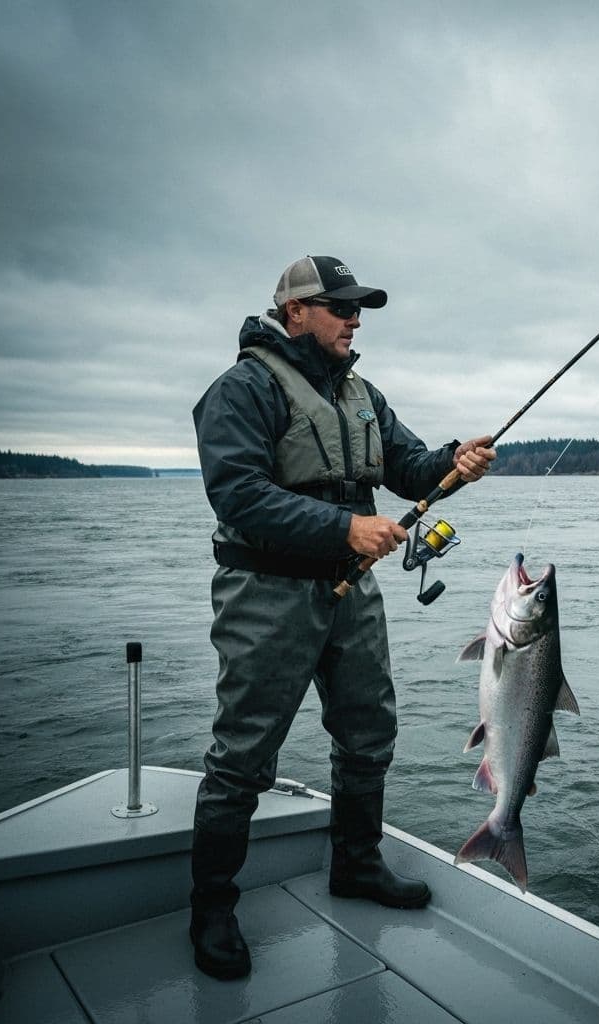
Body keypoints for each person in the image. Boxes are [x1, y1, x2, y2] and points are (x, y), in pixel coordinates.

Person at [189, 254, 496, 980]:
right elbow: (237, 495)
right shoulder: (242, 390)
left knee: (369, 734)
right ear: (295, 311)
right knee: (242, 759)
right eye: (340, 306)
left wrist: (457, 461)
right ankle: (211, 910)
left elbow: (413, 469)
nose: (355, 318)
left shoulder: (362, 393)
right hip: (266, 595)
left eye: (359, 308)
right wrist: (345, 530)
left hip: (352, 595)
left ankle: (356, 866)